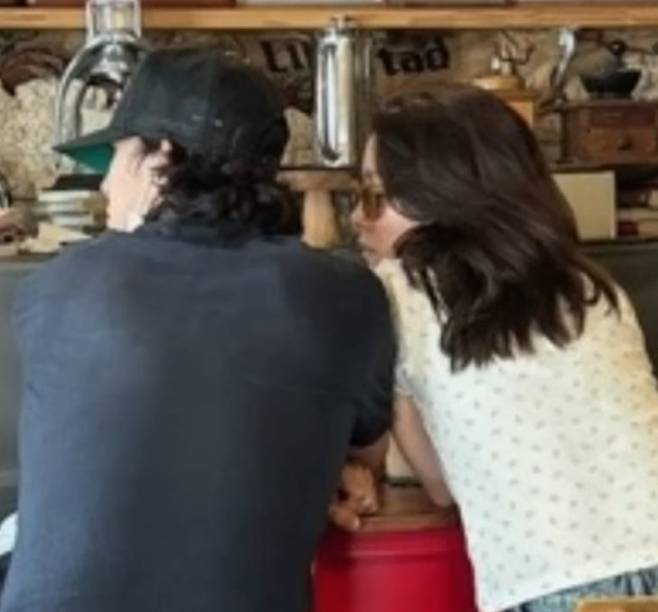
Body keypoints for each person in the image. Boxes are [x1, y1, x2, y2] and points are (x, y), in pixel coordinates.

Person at [0, 47, 395, 612]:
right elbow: (365, 458)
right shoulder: (345, 295)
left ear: (161, 156)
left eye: (117, 156)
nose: (106, 184)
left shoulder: (59, 287)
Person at [343, 87, 658, 612]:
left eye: (375, 195)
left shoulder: (396, 291)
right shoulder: (588, 287)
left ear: (440, 196)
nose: (358, 216)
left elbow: (440, 486)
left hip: (556, 585)